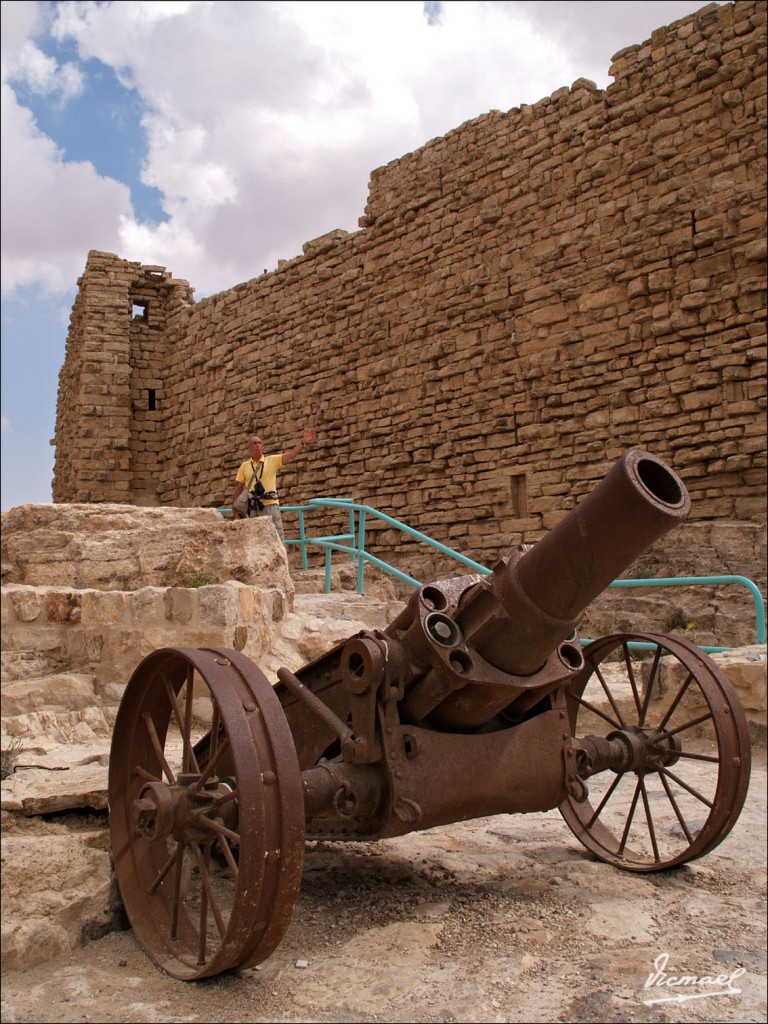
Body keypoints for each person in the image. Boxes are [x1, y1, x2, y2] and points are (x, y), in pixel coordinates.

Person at [231, 427, 316, 543]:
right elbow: (238, 488)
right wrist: (235, 511)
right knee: (257, 543)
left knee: (278, 541)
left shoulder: (271, 461)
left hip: (270, 506)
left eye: (260, 443)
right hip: (253, 508)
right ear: (249, 447)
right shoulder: (244, 466)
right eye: (255, 443)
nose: (258, 445)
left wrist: (303, 442)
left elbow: (291, 454)